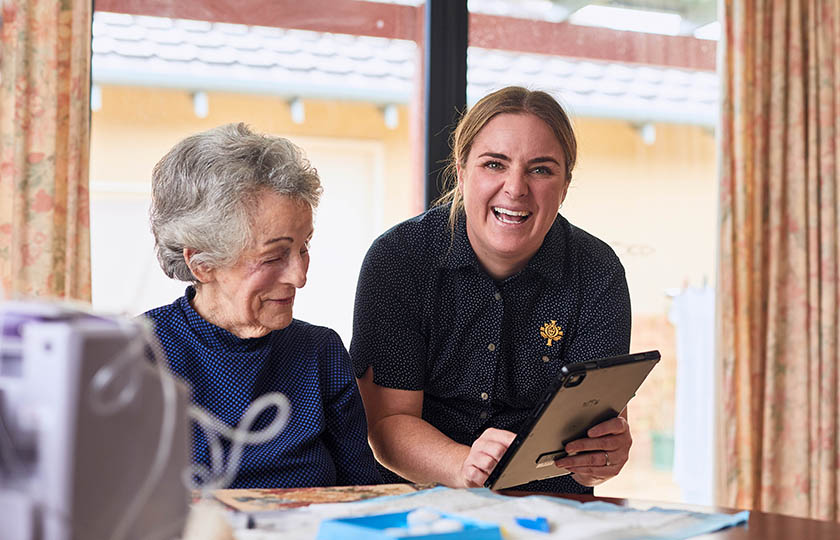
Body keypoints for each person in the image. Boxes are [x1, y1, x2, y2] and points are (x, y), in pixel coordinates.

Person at [351, 87, 632, 494]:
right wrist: (464, 465)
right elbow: (386, 425)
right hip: (420, 504)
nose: (515, 188)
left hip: (551, 509)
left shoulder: (597, 272)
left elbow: (597, 431)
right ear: (462, 173)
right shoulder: (400, 259)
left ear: (565, 185)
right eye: (494, 164)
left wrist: (601, 460)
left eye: (541, 169)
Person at [144, 123, 380, 489]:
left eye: (304, 246)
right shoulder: (139, 357)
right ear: (202, 263)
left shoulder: (320, 353)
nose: (300, 276)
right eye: (274, 257)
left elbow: (367, 497)